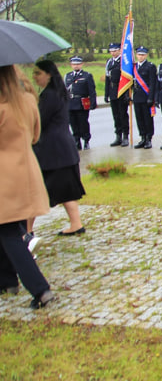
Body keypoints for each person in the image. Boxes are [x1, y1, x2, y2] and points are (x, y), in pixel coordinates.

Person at [0, 64, 55, 308]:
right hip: (25, 171)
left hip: (4, 175)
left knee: (9, 233)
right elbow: (35, 136)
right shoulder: (27, 100)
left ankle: (40, 289)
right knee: (8, 229)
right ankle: (7, 280)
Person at [31, 60, 86, 236]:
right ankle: (76, 224)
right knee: (63, 189)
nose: (35, 77)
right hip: (61, 149)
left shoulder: (50, 95)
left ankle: (26, 230)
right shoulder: (56, 92)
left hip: (52, 150)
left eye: (38, 73)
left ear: (48, 74)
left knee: (37, 189)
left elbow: (39, 121)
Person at [65, 55, 97, 150]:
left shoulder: (87, 76)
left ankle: (86, 140)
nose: (76, 66)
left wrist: (93, 103)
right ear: (71, 65)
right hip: (71, 103)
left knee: (83, 123)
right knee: (73, 123)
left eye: (78, 64)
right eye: (74, 64)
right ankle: (76, 141)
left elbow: (92, 91)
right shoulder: (68, 76)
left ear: (81, 64)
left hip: (81, 103)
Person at [104, 42, 130, 147]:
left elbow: (128, 78)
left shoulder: (124, 62)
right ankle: (118, 136)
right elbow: (107, 79)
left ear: (119, 50)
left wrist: (127, 93)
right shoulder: (109, 62)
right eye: (111, 51)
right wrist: (106, 94)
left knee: (123, 114)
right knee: (116, 115)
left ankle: (125, 136)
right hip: (112, 90)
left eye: (115, 50)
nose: (113, 53)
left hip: (122, 90)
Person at [132, 46, 157, 149]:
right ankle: (142, 137)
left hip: (146, 96)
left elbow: (152, 83)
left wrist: (151, 97)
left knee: (147, 119)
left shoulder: (150, 66)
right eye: (138, 54)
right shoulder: (133, 67)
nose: (140, 56)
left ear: (146, 55)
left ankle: (148, 139)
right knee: (139, 119)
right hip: (137, 96)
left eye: (142, 55)